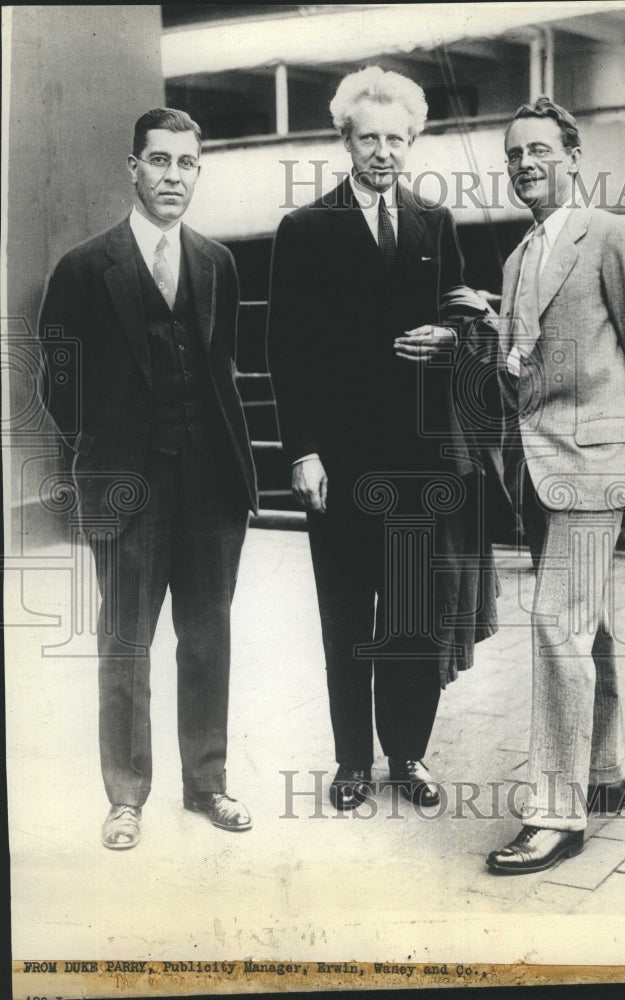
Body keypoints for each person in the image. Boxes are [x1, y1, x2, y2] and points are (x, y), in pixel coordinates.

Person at [267, 67, 510, 811]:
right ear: (345, 140)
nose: (383, 151)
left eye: (396, 138)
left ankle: (406, 755)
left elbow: (464, 319)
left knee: (410, 615)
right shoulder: (304, 228)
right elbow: (284, 349)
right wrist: (301, 451)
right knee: (345, 616)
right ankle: (350, 762)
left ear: (413, 140)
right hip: (338, 462)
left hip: (417, 458)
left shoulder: (435, 222)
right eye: (368, 138)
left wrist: (451, 341)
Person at [39, 108, 258, 850]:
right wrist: (103, 451)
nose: (173, 176)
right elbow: (57, 383)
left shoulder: (218, 263)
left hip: (212, 487)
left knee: (207, 639)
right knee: (126, 643)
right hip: (126, 488)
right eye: (159, 161)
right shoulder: (83, 266)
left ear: (198, 171)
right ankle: (126, 795)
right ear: (132, 168)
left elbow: (223, 369)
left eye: (186, 163)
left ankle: (208, 783)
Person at [486, 97, 625, 874]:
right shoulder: (516, 257)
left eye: (537, 150)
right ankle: (603, 774)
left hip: (595, 464)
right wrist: (481, 338)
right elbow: (519, 371)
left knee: (554, 625)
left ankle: (555, 814)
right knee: (585, 624)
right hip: (539, 466)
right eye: (512, 156)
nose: (524, 164)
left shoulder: (611, 234)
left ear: (572, 156)